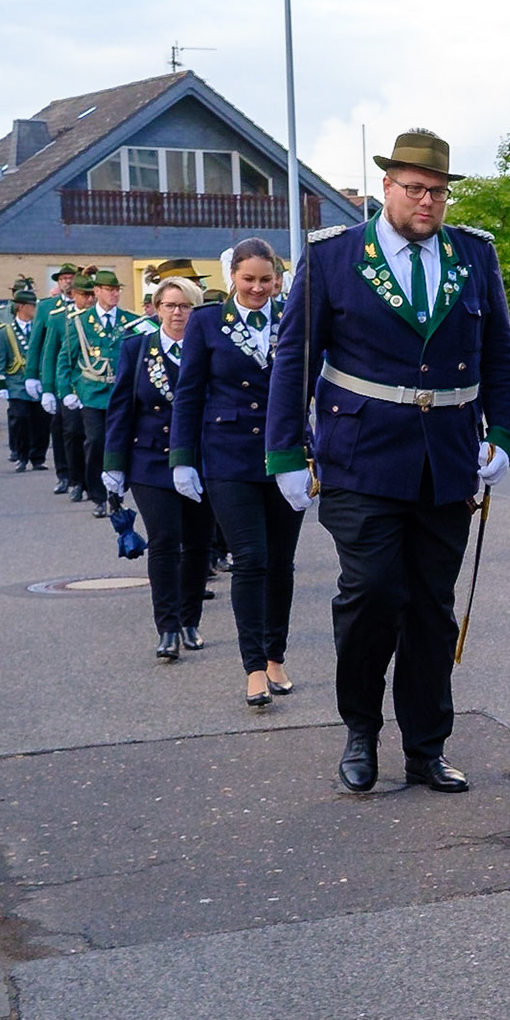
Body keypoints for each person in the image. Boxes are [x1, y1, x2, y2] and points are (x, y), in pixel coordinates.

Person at [268, 128, 510, 792]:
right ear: (386, 188)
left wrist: (506, 432)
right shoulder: (333, 259)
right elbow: (295, 359)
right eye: (414, 188)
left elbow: (498, 350)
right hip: (360, 457)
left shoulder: (473, 256)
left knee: (432, 608)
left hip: (447, 459)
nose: (428, 201)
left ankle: (425, 745)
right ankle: (360, 727)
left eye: (438, 191)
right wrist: (287, 451)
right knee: (374, 591)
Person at [172, 238, 303, 705]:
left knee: (281, 563)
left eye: (266, 279)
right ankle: (252, 666)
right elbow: (188, 393)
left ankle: (275, 656)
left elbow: (313, 381)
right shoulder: (207, 322)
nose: (258, 288)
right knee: (250, 560)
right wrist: (182, 457)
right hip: (228, 455)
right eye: (248, 279)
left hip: (284, 455)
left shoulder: (293, 317)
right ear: (233, 277)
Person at [105, 277, 214, 661]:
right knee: (165, 539)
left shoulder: (210, 348)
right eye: (169, 305)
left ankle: (189, 620)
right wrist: (114, 465)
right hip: (150, 461)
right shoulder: (137, 349)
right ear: (156, 308)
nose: (177, 313)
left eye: (185, 306)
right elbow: (121, 409)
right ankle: (167, 627)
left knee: (199, 542)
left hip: (200, 459)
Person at [57, 269, 138, 518]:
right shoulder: (80, 321)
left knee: (122, 444)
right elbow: (66, 359)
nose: (114, 294)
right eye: (109, 289)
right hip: (92, 392)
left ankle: (117, 494)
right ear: (97, 291)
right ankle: (98, 495)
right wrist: (65, 390)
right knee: (96, 442)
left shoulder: (131, 321)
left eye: (117, 289)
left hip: (122, 393)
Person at [40, 271, 98, 499]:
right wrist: (46, 388)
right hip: (69, 387)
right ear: (73, 294)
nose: (90, 300)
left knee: (94, 438)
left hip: (94, 387)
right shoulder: (59, 318)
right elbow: (49, 354)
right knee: (72, 432)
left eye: (92, 295)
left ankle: (95, 483)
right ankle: (74, 479)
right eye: (85, 295)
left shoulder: (98, 318)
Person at [0, 280, 47, 470]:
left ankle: (38, 457)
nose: (34, 309)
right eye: (31, 306)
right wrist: (0, 382)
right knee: (20, 418)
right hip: (16, 382)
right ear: (21, 307)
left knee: (41, 421)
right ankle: (21, 455)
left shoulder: (41, 329)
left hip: (38, 382)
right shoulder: (5, 331)